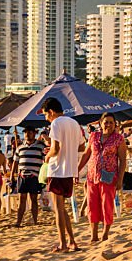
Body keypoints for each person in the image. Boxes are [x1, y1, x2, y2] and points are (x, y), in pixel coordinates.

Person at [42, 97, 83, 252]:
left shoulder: (56, 123)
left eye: (46, 115)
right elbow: (81, 146)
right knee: (62, 208)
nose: (46, 119)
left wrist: (47, 156)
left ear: (51, 112)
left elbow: (56, 149)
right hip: (70, 170)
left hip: (58, 169)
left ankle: (63, 244)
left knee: (58, 209)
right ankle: (72, 241)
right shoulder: (74, 123)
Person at [78, 113, 127, 242]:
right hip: (92, 175)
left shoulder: (119, 139)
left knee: (107, 205)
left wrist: (120, 180)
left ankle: (105, 234)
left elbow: (123, 160)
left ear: (115, 124)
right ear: (100, 123)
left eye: (111, 122)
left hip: (109, 176)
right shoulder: (94, 136)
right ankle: (94, 235)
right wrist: (76, 171)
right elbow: (86, 154)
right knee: (92, 205)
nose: (108, 125)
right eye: (106, 122)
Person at [11, 127, 47, 228]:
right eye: (26, 132)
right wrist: (11, 176)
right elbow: (15, 161)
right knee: (22, 199)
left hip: (34, 176)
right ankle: (18, 222)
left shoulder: (40, 146)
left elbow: (46, 160)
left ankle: (35, 221)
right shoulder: (20, 147)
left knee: (33, 199)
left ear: (34, 133)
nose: (27, 134)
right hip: (22, 176)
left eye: (29, 132)